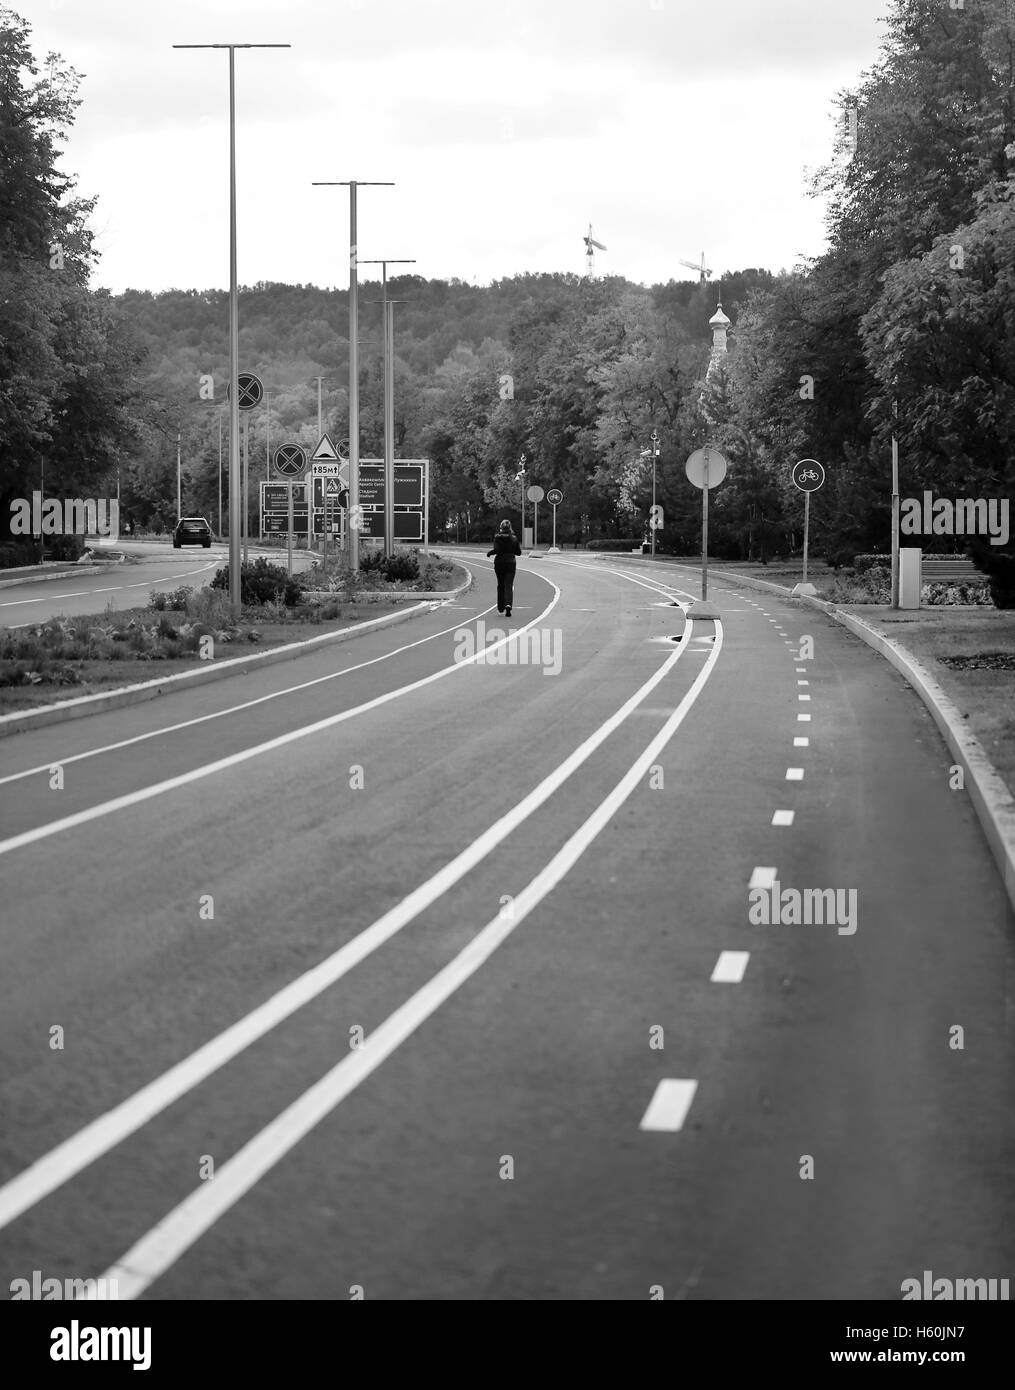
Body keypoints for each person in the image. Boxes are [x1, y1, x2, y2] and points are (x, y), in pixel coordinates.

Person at [487, 518, 522, 616]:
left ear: (501, 527)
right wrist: (511, 550)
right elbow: (518, 552)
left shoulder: (497, 537)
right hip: (511, 563)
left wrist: (490, 553)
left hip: (499, 563)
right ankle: (508, 605)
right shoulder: (514, 538)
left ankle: (500, 608)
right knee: (509, 585)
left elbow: (497, 549)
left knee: (500, 585)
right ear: (510, 527)